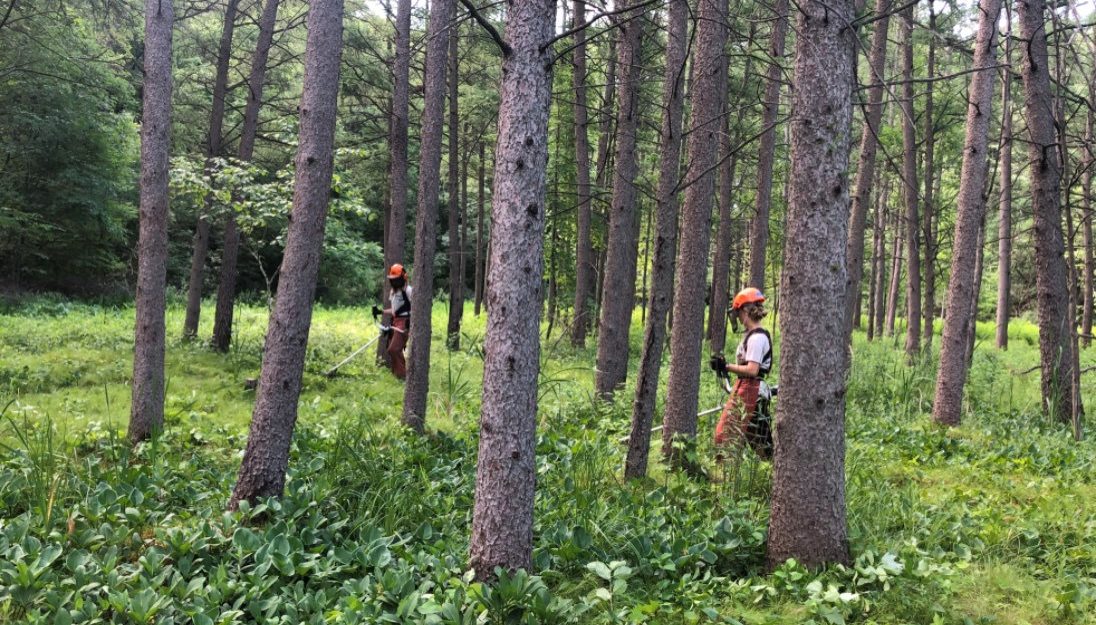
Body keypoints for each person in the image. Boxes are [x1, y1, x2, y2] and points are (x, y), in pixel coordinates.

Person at [709, 287, 774, 459]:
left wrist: (727, 366)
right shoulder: (751, 335)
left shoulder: (757, 338)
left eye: (738, 313)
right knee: (755, 439)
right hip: (745, 387)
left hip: (752, 389)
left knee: (726, 435)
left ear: (745, 310)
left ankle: (725, 473)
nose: (737, 317)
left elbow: (752, 370)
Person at [374, 264, 412, 380]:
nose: (395, 283)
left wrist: (410, 322)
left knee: (394, 349)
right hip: (395, 322)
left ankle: (403, 377)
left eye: (397, 280)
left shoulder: (409, 291)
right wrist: (381, 312)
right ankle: (397, 374)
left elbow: (416, 308)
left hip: (404, 323)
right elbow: (395, 310)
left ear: (403, 278)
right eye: (393, 280)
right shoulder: (393, 292)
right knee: (391, 349)